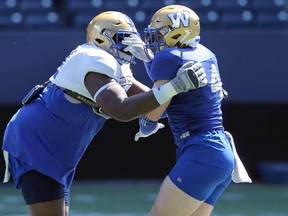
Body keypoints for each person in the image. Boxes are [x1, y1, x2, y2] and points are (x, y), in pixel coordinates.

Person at [1, 11, 208, 216]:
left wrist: (197, 94)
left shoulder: (116, 65)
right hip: (36, 141)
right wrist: (174, 86)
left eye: (130, 38)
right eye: (121, 39)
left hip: (57, 145)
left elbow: (155, 104)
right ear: (100, 38)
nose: (129, 44)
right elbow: (121, 110)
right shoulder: (93, 58)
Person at [123, 5, 252, 216]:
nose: (155, 38)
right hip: (219, 151)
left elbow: (153, 112)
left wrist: (145, 122)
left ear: (178, 32)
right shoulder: (206, 54)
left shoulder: (168, 57)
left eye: (161, 32)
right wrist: (150, 61)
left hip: (201, 150)